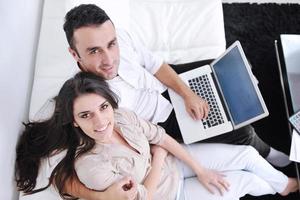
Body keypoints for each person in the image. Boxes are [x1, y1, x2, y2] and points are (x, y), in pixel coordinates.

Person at [63, 4, 290, 168]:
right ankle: (268, 152)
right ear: (74, 54)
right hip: (163, 118)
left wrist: (188, 93)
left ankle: (251, 96)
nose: (109, 59)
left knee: (232, 66)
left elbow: (156, 65)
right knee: (242, 131)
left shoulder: (120, 37)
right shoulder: (89, 97)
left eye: (111, 45)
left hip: (163, 81)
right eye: (94, 51)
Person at [15, 72, 298, 200]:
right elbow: (144, 197)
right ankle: (287, 187)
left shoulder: (123, 117)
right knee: (245, 180)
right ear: (75, 122)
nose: (101, 121)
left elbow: (160, 137)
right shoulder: (90, 166)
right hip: (171, 194)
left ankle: (287, 183)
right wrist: (160, 156)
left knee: (246, 155)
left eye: (103, 108)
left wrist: (200, 169)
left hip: (176, 164)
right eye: (86, 115)